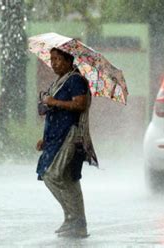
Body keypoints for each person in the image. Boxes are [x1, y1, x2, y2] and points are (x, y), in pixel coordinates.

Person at [36, 47, 98, 238]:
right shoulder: (59, 82)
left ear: (69, 61)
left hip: (69, 136)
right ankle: (75, 221)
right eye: (52, 59)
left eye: (58, 59)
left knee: (51, 175)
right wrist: (44, 139)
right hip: (55, 136)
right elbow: (51, 110)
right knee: (69, 178)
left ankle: (75, 219)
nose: (54, 63)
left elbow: (80, 104)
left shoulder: (76, 80)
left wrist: (54, 102)